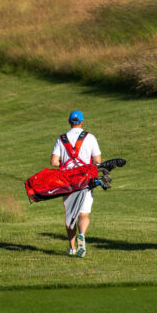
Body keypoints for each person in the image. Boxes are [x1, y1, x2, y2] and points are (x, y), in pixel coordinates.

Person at [51, 110, 101, 257]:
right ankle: (82, 235)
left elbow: (54, 162)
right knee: (83, 213)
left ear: (69, 122)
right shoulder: (90, 138)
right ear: (82, 122)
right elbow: (97, 161)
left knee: (70, 215)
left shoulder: (61, 139)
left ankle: (72, 248)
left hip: (67, 181)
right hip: (85, 180)